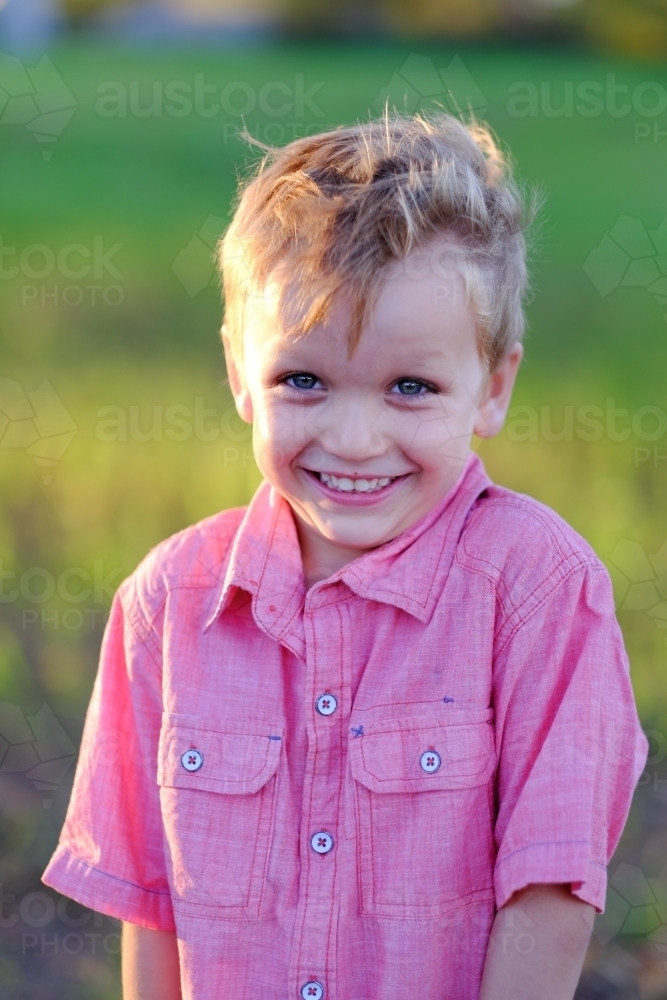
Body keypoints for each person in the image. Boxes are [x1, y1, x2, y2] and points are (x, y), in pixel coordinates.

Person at [42, 110, 649, 1000]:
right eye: (304, 380)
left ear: (493, 387)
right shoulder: (167, 602)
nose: (354, 438)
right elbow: (153, 910)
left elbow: (550, 887)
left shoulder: (538, 589)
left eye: (411, 387)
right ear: (240, 374)